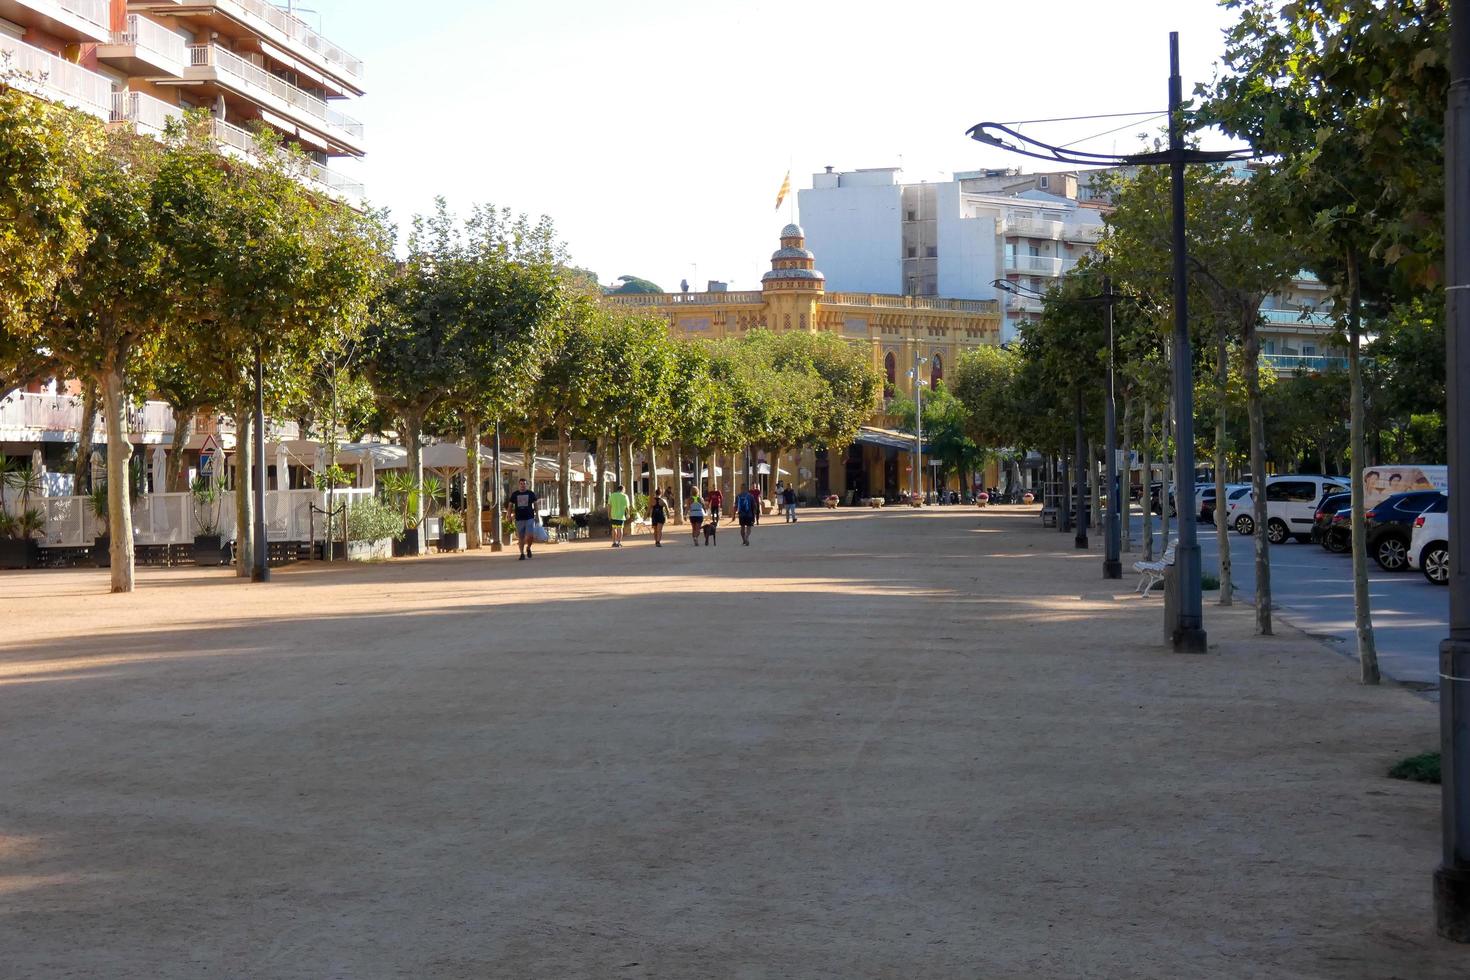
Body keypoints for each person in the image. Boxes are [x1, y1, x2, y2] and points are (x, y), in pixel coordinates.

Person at [508, 478, 538, 560]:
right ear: (519, 485)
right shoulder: (515, 494)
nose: (522, 485)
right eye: (521, 483)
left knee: (530, 536)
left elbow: (535, 505)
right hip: (519, 518)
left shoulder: (531, 494)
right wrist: (508, 516)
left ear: (526, 485)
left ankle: (528, 547)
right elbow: (510, 506)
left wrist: (537, 515)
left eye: (524, 483)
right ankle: (521, 553)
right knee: (520, 537)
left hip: (529, 517)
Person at [608, 483, 630, 548]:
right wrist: (628, 514)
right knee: (620, 529)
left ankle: (614, 542)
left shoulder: (612, 495)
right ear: (622, 490)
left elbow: (609, 506)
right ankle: (619, 542)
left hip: (613, 515)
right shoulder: (625, 496)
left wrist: (609, 514)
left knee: (613, 529)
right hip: (621, 516)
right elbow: (628, 507)